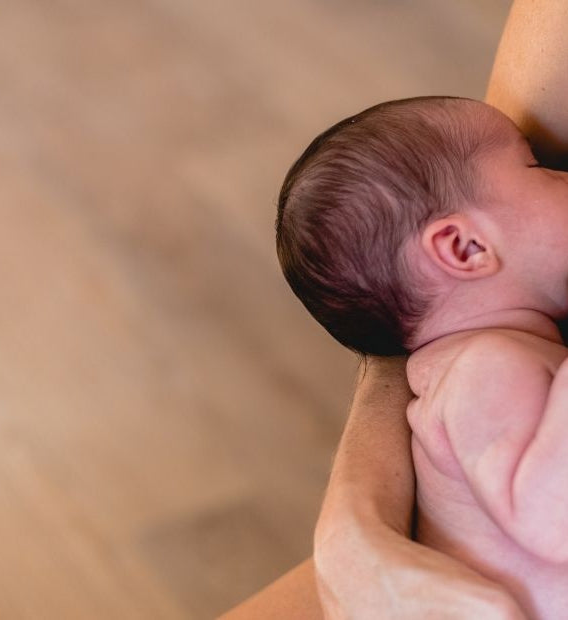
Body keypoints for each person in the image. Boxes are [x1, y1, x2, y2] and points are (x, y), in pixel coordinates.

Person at [223, 1, 568, 618]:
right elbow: (554, 513)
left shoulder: (477, 368)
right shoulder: (483, 370)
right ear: (464, 248)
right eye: (542, 170)